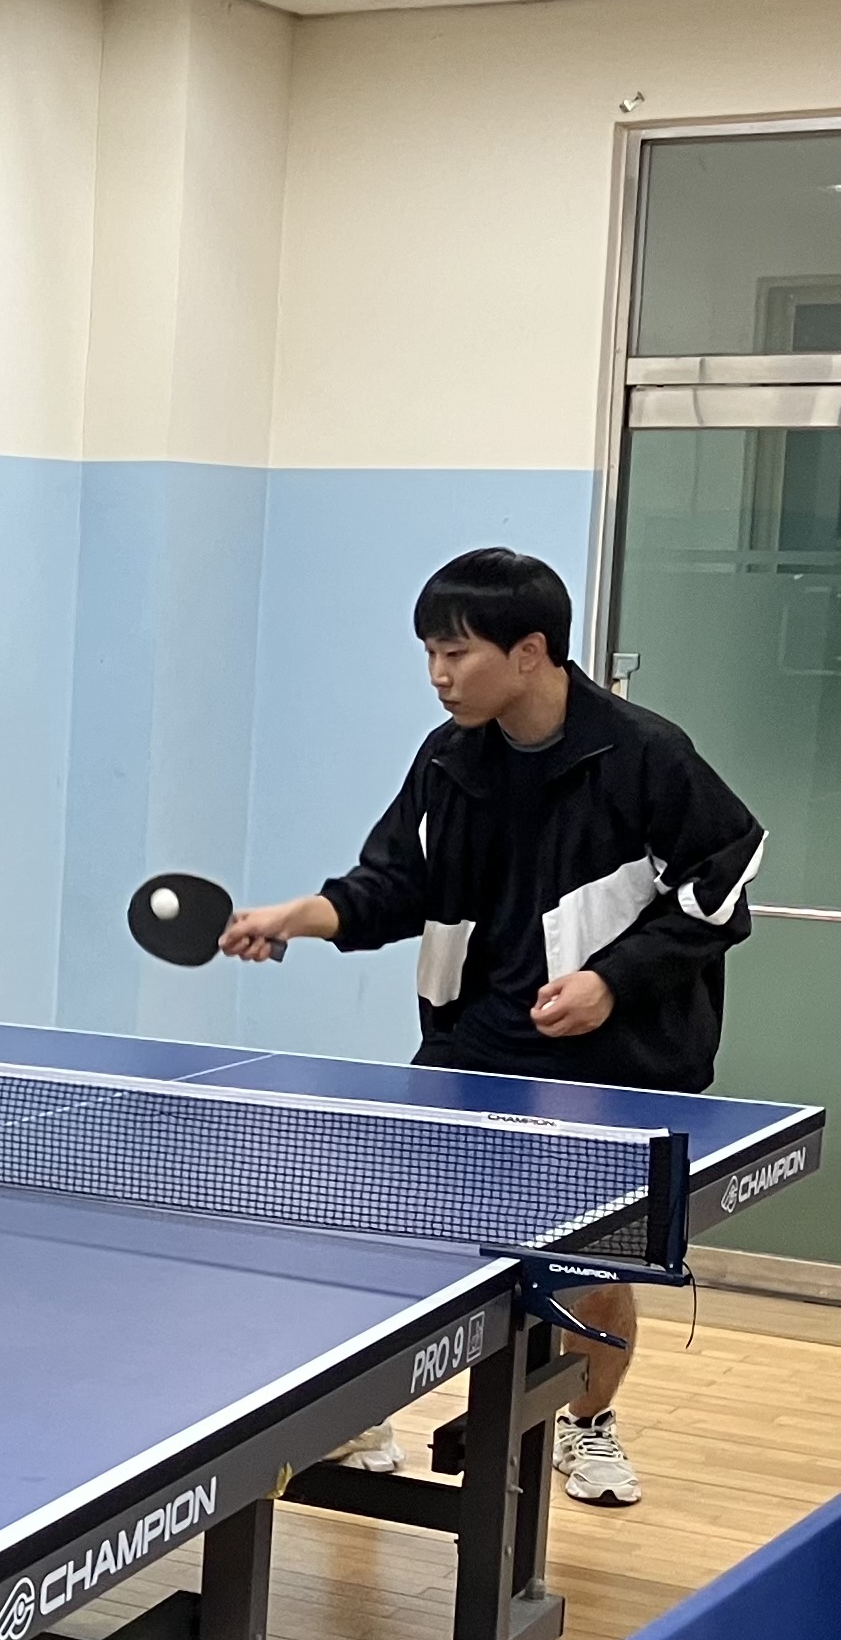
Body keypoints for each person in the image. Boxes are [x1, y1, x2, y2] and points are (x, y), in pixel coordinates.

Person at [219, 547, 763, 1508]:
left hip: (614, 1063)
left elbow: (719, 895)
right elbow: (397, 885)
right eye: (429, 652)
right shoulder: (448, 760)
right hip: (470, 1047)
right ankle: (366, 1415)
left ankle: (586, 1423)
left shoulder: (645, 755)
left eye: (456, 653)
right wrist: (301, 916)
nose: (438, 674)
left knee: (590, 1265)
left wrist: (612, 983)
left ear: (530, 651)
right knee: (395, 1243)